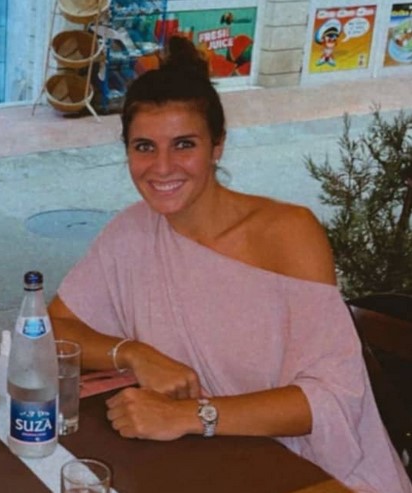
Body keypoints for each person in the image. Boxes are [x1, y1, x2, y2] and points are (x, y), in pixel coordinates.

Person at [49, 36, 411, 493]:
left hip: (320, 471)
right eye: (144, 146)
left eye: (184, 144)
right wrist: (134, 353)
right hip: (206, 464)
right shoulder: (132, 231)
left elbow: (332, 399)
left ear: (217, 146)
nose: (162, 167)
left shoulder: (287, 232)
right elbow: (51, 330)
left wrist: (189, 415)